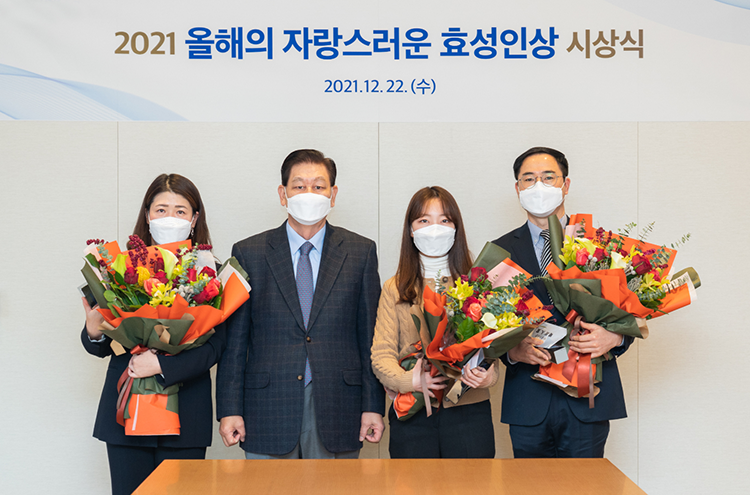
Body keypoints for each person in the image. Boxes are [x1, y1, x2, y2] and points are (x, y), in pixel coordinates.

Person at [216, 149, 384, 459]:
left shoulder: (360, 252)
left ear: (333, 194)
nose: (309, 193)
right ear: (283, 194)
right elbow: (235, 343)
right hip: (267, 407)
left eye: (318, 186)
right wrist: (229, 408)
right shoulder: (249, 252)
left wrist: (373, 406)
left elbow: (369, 338)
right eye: (299, 186)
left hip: (339, 406)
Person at [81, 174, 226, 495]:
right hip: (125, 414)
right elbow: (102, 345)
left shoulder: (209, 273)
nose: (170, 218)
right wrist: (94, 332)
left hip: (186, 416)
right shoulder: (119, 269)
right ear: (147, 215)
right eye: (161, 210)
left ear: (194, 219)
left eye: (180, 210)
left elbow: (215, 347)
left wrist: (162, 366)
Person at [492, 146, 633, 458]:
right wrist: (512, 352)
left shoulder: (600, 245)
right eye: (529, 179)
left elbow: (629, 310)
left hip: (587, 394)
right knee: (528, 483)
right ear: (517, 188)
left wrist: (614, 338)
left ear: (565, 185)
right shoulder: (499, 251)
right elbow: (488, 325)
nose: (538, 186)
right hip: (528, 399)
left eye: (548, 177)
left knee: (586, 483)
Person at [371, 186, 499, 458]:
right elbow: (381, 354)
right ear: (411, 230)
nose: (434, 229)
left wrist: (489, 376)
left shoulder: (476, 284)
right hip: (414, 410)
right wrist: (411, 381)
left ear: (456, 228)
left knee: (473, 480)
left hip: (469, 411)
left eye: (444, 220)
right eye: (424, 220)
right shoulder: (395, 288)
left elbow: (491, 347)